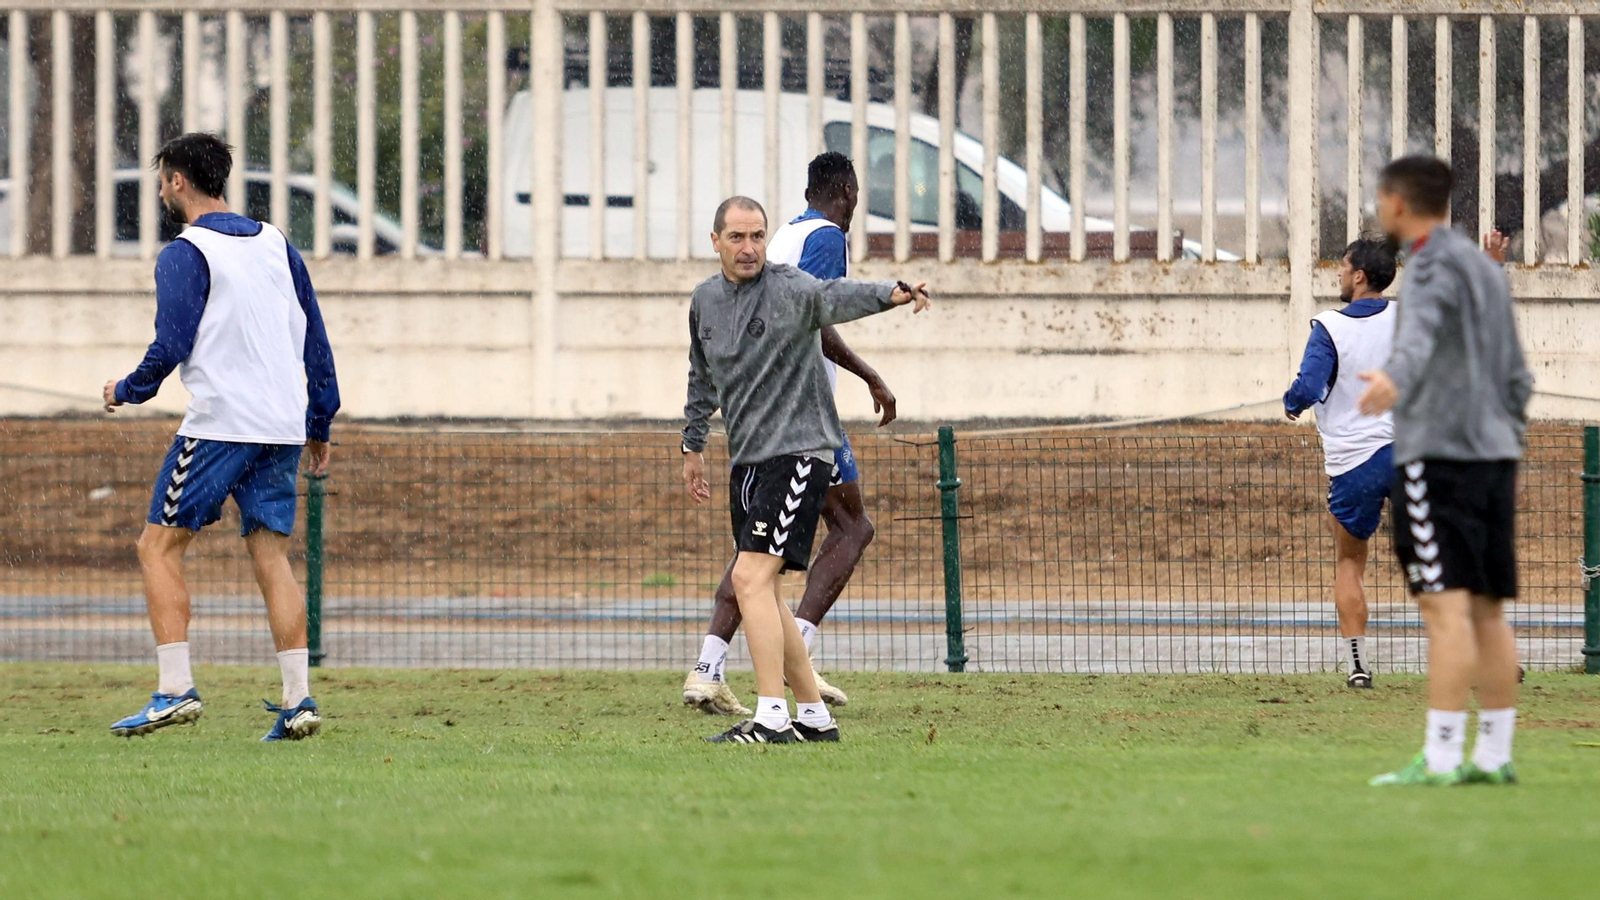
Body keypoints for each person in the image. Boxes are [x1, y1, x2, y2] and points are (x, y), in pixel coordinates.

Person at [102, 133, 340, 742]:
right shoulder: (277, 243)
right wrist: (319, 420)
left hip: (222, 426)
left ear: (178, 181)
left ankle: (175, 690)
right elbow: (314, 335)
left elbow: (171, 344)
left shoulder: (185, 252)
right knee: (271, 557)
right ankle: (299, 701)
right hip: (282, 425)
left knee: (157, 547)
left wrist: (127, 389)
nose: (161, 190)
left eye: (163, 179)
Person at [682, 196, 929, 744]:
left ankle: (771, 716)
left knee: (749, 578)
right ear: (716, 241)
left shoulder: (790, 288)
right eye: (737, 237)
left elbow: (835, 296)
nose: (749, 248)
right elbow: (701, 377)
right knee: (766, 592)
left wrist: (891, 293)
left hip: (798, 453)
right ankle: (814, 717)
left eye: (757, 236)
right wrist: (691, 447)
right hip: (747, 460)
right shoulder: (704, 301)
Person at [1357, 155, 1532, 786]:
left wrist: (1392, 380)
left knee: (1445, 609)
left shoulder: (1429, 265)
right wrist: (1506, 436)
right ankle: (1494, 756)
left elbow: (1417, 339)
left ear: (1398, 203)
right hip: (1495, 455)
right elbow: (1517, 373)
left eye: (1381, 199)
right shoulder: (1484, 269)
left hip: (1439, 457)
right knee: (1487, 609)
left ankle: (1439, 758)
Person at [1284, 237, 1398, 689]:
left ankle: (1358, 667)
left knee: (1350, 560)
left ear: (1359, 276)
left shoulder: (1329, 326)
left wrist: (1292, 402)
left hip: (1355, 462)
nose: (1338, 273)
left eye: (1343, 267)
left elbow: (1310, 385)